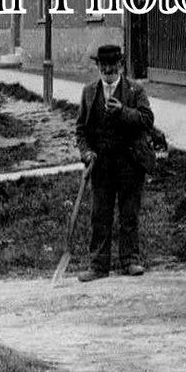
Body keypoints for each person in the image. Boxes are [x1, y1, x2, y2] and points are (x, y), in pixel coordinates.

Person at [75, 44, 156, 282]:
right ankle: (99, 265)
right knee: (100, 215)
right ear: (98, 67)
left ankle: (130, 260)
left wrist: (123, 112)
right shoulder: (89, 92)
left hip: (129, 161)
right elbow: (80, 129)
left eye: (113, 65)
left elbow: (147, 120)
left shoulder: (134, 90)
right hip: (101, 163)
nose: (108, 70)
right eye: (104, 66)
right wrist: (86, 153)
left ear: (120, 65)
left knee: (129, 213)